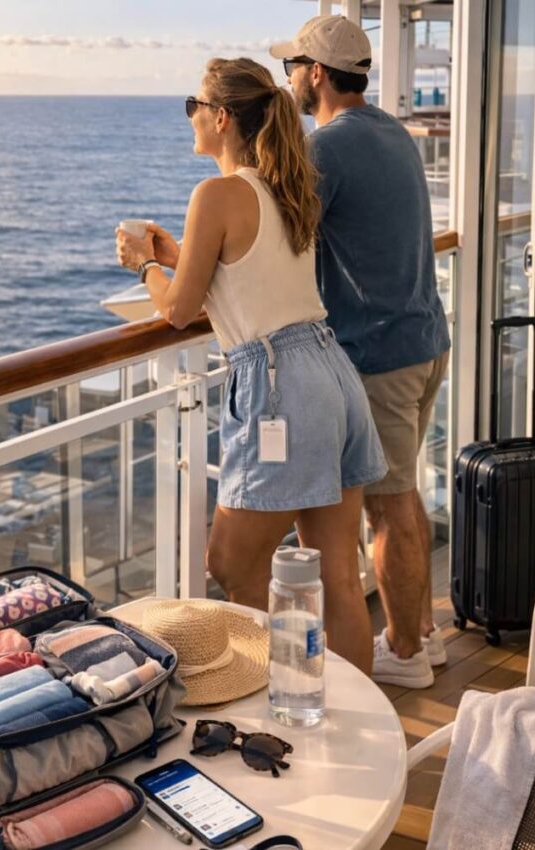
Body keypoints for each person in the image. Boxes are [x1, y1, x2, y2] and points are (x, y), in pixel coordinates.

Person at [116, 57, 386, 675]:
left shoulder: (215, 193)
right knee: (338, 572)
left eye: (193, 106)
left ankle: (270, 708)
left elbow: (181, 309)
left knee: (234, 565)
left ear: (219, 116)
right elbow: (248, 273)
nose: (189, 117)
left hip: (280, 387)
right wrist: (179, 255)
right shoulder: (280, 185)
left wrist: (143, 265)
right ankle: (349, 725)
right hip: (329, 371)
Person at [270, 16, 451, 689]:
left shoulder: (329, 147)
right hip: (426, 340)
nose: (287, 75)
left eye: (292, 64)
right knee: (402, 499)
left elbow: (277, 240)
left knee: (391, 506)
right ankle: (422, 636)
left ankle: (405, 652)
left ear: (316, 73)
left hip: (380, 357)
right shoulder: (391, 132)